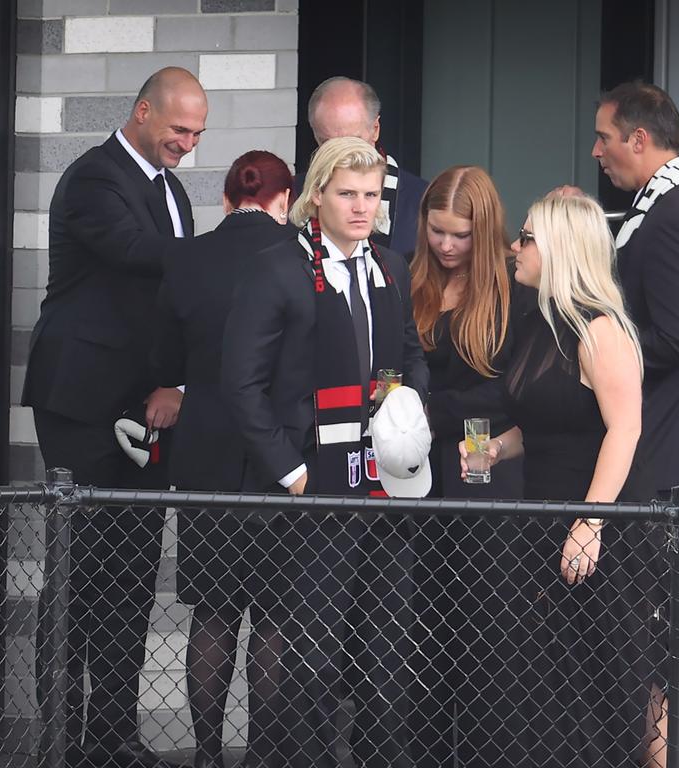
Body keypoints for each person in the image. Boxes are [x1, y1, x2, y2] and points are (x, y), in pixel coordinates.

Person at [221, 137, 429, 768]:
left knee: (388, 646)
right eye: (347, 194)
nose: (361, 207)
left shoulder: (391, 266)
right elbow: (241, 382)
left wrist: (408, 414)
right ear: (316, 196)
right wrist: (293, 472)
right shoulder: (276, 266)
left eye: (370, 195)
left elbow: (413, 354)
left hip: (385, 482)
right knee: (310, 649)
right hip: (311, 486)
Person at [22, 67, 206, 768]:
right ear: (141, 112)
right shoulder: (95, 178)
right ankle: (62, 739)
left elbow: (174, 301)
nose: (186, 144)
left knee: (132, 571)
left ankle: (112, 737)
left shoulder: (176, 191)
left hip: (147, 405)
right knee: (79, 566)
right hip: (78, 401)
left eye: (196, 134)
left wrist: (179, 383)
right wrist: (231, 248)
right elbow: (136, 253)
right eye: (178, 129)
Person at [458, 193, 666, 767]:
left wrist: (591, 520)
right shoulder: (540, 324)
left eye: (526, 238)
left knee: (609, 677)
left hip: (601, 528)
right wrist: (496, 449)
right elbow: (550, 420)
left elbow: (623, 430)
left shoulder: (602, 331)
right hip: (543, 519)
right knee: (547, 678)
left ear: (560, 250)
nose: (514, 249)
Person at [591, 80, 679, 768]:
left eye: (605, 138)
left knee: (667, 622)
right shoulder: (678, 205)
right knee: (669, 619)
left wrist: (600, 350)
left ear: (640, 139)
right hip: (676, 442)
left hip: (673, 447)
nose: (599, 153)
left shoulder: (676, 213)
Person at [151, 150, 294, 768]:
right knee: (273, 614)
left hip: (204, 448)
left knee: (211, 610)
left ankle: (206, 755)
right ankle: (260, 756)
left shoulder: (187, 258)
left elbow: (165, 358)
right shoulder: (295, 259)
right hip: (275, 452)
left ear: (227, 199)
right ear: (284, 201)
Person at [406, 165, 527, 766]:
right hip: (417, 454)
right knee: (425, 602)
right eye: (437, 232)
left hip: (483, 444)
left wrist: (428, 410)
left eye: (460, 235)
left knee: (484, 598)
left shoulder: (512, 283)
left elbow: (510, 392)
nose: (447, 246)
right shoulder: (413, 275)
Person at [303, 76, 428, 254]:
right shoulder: (292, 193)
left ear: (375, 129)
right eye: (329, 144)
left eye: (354, 141)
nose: (342, 154)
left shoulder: (423, 199)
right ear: (315, 135)